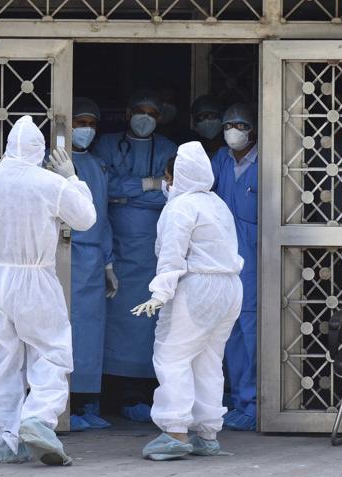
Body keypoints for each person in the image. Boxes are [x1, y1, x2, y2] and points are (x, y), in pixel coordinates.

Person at [0, 116, 96, 465]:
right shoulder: (47, 182)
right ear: (40, 151)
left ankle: (9, 439)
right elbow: (86, 218)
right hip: (33, 277)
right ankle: (38, 418)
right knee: (51, 351)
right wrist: (72, 178)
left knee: (7, 359)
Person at [132, 142, 243, 461]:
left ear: (175, 176)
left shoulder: (179, 207)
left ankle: (175, 431)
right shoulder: (217, 204)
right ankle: (207, 434)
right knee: (208, 360)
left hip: (197, 287)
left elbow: (171, 256)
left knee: (172, 356)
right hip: (228, 288)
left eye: (168, 177)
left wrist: (160, 293)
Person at [93, 90, 178, 422]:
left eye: (151, 113)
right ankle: (113, 392)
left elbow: (169, 196)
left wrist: (127, 194)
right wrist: (146, 184)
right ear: (127, 113)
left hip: (152, 253)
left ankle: (141, 392)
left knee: (149, 323)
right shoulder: (106, 144)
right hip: (115, 248)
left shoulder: (169, 149)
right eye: (139, 111)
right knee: (115, 324)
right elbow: (104, 189)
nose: (145, 118)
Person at [69, 97, 118, 432]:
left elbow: (103, 217)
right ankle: (64, 404)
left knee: (89, 335)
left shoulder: (98, 165)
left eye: (90, 123)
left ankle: (85, 400)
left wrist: (108, 262)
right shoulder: (56, 163)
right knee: (66, 334)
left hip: (92, 258)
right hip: (66, 256)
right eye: (79, 122)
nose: (85, 129)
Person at [210, 103, 258, 432]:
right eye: (228, 124)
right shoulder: (221, 160)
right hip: (224, 258)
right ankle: (240, 400)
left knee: (253, 329)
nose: (233, 130)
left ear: (252, 128)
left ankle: (256, 403)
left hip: (256, 258)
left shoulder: (267, 160)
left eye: (239, 124)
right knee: (231, 331)